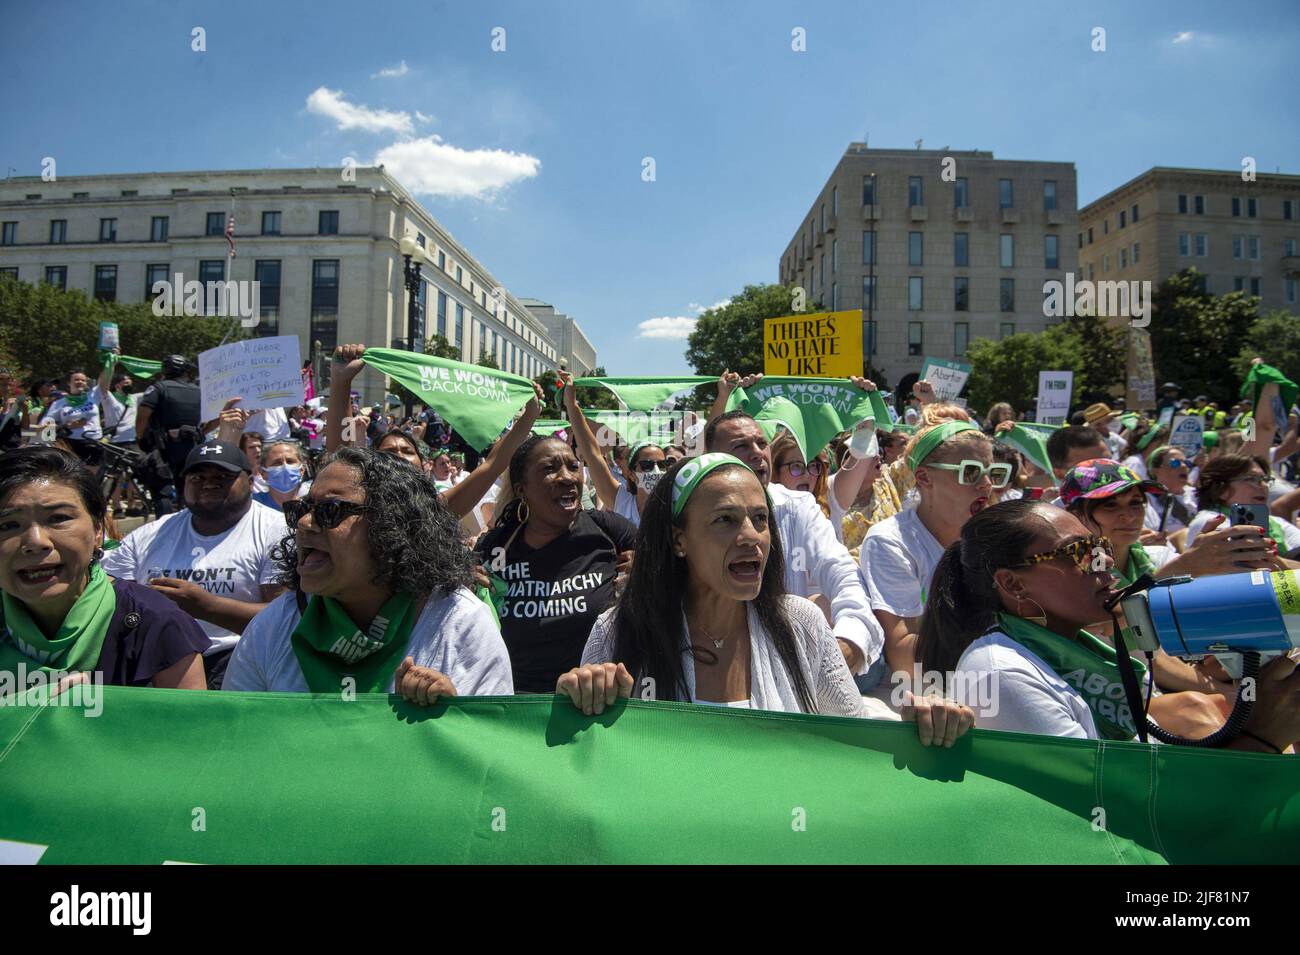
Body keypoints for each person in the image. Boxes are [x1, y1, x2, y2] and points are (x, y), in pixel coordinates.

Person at [560, 454, 975, 745]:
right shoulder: (618, 631)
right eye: (725, 519)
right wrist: (583, 700)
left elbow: (855, 741)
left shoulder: (802, 625)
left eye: (760, 519)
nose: (751, 537)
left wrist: (923, 723)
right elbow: (591, 757)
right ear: (678, 539)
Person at [917, 498, 1300, 751]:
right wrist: (1261, 737)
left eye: (1101, 548)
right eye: (1080, 553)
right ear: (1013, 583)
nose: (1104, 564)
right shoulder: (1002, 673)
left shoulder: (1079, 647)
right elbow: (1104, 810)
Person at [225, 447, 513, 698]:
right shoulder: (274, 627)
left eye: (331, 510)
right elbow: (234, 740)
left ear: (392, 525)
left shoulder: (459, 622)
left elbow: (488, 746)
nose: (304, 523)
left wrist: (450, 718)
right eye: (301, 509)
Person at [0, 447, 208, 690]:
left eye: (58, 518)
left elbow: (190, 726)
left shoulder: (158, 624)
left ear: (98, 531)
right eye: (9, 525)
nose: (36, 542)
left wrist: (102, 716)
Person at [704, 410, 882, 680]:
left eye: (762, 444)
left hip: (792, 671)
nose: (756, 453)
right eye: (741, 446)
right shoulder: (692, 514)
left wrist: (851, 640)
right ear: (710, 457)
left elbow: (843, 574)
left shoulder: (799, 507)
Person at [101, 441, 285, 688]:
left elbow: (285, 619)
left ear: (250, 482)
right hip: (156, 661)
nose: (209, 482)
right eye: (197, 476)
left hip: (238, 657)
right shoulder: (146, 537)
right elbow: (109, 602)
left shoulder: (278, 531)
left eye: (223, 476)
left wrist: (207, 606)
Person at [473, 434, 638, 692]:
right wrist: (464, 581)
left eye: (573, 467)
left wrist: (645, 564)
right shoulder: (497, 546)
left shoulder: (607, 529)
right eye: (549, 469)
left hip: (595, 703)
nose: (567, 477)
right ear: (521, 489)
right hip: (514, 710)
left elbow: (675, 559)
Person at [860, 420, 1006, 682]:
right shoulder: (891, 541)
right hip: (930, 693)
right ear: (925, 478)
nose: (987, 484)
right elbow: (904, 657)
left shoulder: (996, 537)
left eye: (993, 473)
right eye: (970, 472)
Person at [1185, 454, 1300, 559]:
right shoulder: (1208, 521)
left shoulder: (1275, 522)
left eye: (1264, 479)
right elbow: (1254, 565)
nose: (1263, 485)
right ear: (1221, 489)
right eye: (1251, 479)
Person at [135, 355, 203, 516]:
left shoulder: (158, 388)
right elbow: (214, 418)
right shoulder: (199, 391)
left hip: (163, 447)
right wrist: (200, 432)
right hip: (190, 447)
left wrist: (140, 437)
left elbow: (143, 414)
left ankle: (164, 527)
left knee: (162, 490)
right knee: (188, 488)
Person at [39, 365, 110, 466]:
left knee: (91, 478)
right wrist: (66, 426)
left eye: (83, 380)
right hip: (70, 445)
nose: (80, 382)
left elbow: (105, 380)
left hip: (93, 444)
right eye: (76, 380)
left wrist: (110, 362)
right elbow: (44, 425)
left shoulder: (93, 396)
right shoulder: (59, 403)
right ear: (69, 383)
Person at [1142, 445, 1197, 534]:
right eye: (1175, 463)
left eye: (1186, 463)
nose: (1183, 466)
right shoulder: (1146, 500)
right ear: (1154, 470)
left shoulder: (1197, 495)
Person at [252, 439, 312, 511]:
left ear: (302, 470)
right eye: (277, 463)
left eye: (290, 461)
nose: (285, 466)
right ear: (263, 473)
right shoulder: (252, 504)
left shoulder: (312, 505)